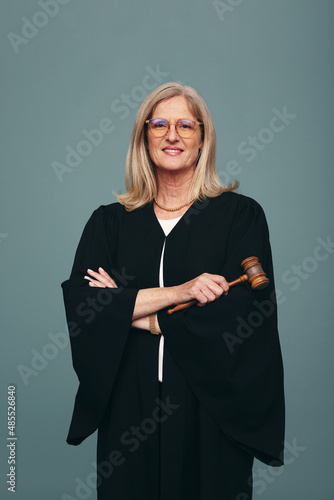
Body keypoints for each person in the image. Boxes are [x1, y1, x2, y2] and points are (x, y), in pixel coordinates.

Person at [61, 81, 285, 500]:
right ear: (144, 138)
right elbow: (86, 308)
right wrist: (184, 291)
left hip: (209, 406)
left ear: (203, 139)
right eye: (159, 124)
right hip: (130, 403)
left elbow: (240, 316)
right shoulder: (109, 223)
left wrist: (127, 310)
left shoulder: (240, 216)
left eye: (186, 125)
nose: (172, 135)